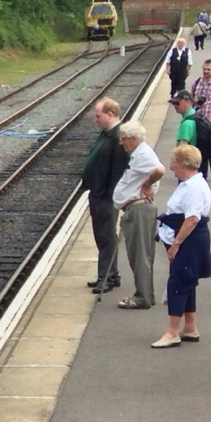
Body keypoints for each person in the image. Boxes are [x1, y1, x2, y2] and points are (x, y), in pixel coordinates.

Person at [153, 144, 211, 349]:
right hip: (190, 239)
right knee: (187, 280)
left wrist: (175, 244)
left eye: (174, 163)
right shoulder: (189, 184)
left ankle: (172, 331)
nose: (171, 167)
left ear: (184, 164)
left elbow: (192, 218)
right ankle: (189, 326)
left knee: (178, 282)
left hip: (189, 241)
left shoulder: (194, 188)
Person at [114, 121, 167, 310]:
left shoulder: (143, 154)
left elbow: (160, 170)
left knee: (140, 254)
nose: (121, 142)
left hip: (139, 210)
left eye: (124, 139)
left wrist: (147, 184)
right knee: (141, 254)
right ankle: (146, 294)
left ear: (134, 138)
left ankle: (142, 296)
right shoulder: (139, 154)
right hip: (136, 209)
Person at [83, 98, 129, 294]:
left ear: (110, 114)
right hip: (98, 193)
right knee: (102, 234)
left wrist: (109, 195)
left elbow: (118, 171)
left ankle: (106, 277)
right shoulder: (106, 135)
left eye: (98, 116)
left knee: (106, 236)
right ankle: (112, 274)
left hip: (105, 196)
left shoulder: (117, 138)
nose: (96, 119)